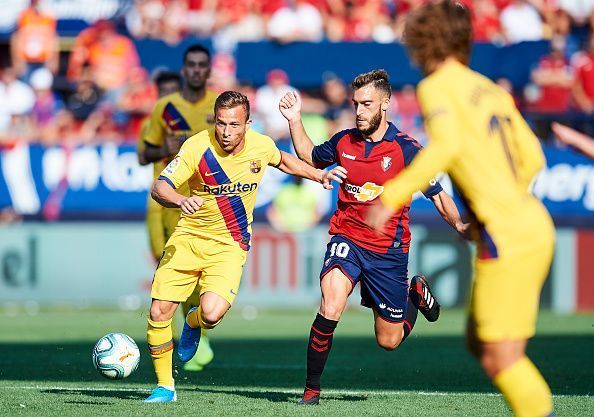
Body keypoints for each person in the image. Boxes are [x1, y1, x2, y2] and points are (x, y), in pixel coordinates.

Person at [365, 3, 555, 417]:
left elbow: (447, 146)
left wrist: (392, 196)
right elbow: (533, 158)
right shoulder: (488, 88)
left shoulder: (437, 87)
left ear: (421, 41)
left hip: (507, 234)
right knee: (479, 343)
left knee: (499, 357)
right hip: (532, 223)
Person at [279, 69, 467, 405]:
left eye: (367, 104)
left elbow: (438, 195)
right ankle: (311, 390)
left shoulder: (407, 150)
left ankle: (413, 294)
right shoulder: (343, 141)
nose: (359, 111)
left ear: (385, 105)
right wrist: (294, 119)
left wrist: (461, 227)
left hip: (387, 252)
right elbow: (309, 155)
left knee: (389, 341)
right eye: (355, 104)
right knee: (331, 302)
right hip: (346, 238)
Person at [144, 90, 346, 403]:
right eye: (221, 124)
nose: (226, 132)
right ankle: (164, 386)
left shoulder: (261, 145)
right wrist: (181, 199)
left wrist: (318, 174)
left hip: (229, 244)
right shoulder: (197, 146)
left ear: (248, 124)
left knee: (212, 314)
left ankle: (194, 322)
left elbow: (286, 162)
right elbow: (160, 186)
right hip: (188, 238)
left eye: (234, 125)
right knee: (159, 310)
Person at [142, 44, 218, 372]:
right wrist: (164, 147)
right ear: (184, 69)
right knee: (166, 275)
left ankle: (194, 330)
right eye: (192, 65)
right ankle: (170, 343)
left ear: (209, 70)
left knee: (200, 277)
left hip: (202, 202)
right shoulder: (165, 107)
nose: (197, 70)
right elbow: (144, 153)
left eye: (203, 65)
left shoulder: (218, 106)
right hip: (165, 202)